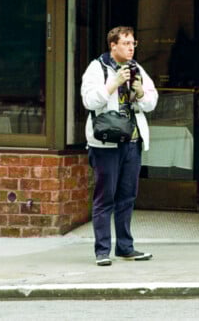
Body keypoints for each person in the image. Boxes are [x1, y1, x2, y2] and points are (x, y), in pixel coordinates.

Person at [81, 26, 158, 266]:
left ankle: (125, 247)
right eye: (125, 43)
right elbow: (90, 100)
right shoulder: (98, 68)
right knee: (105, 197)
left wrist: (140, 93)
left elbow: (152, 101)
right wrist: (113, 84)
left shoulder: (137, 68)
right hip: (106, 144)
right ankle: (102, 250)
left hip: (132, 142)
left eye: (133, 43)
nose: (131, 47)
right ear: (112, 45)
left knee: (127, 197)